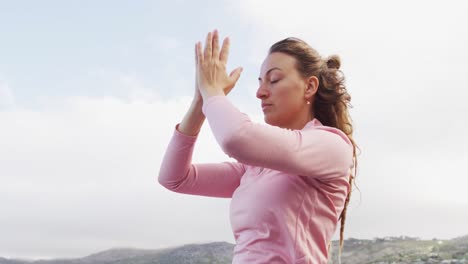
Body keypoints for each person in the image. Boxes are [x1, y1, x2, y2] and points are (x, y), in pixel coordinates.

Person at [158, 29, 358, 264]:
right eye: (261, 82)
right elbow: (174, 178)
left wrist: (213, 92)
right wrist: (200, 101)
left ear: (310, 86)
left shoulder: (331, 146)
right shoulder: (253, 169)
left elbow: (236, 137)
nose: (260, 92)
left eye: (274, 80)